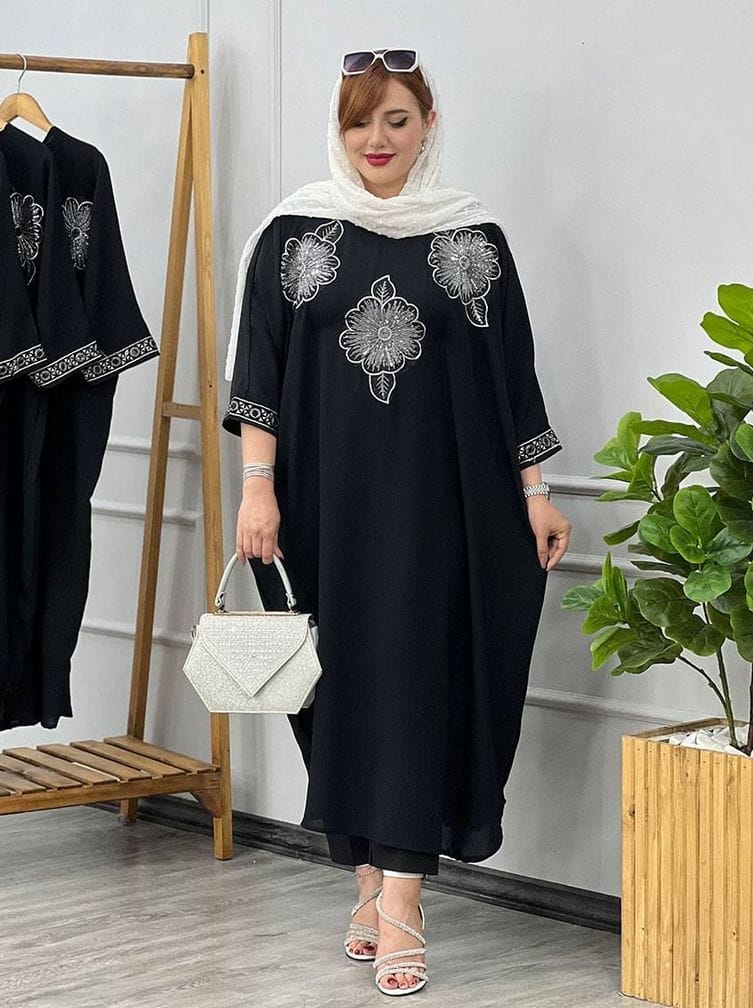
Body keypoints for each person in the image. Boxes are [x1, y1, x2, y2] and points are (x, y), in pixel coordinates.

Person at [223, 47, 572, 997]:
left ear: (428, 125)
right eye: (357, 121)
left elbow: (512, 377)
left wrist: (535, 490)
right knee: (332, 684)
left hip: (442, 509)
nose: (374, 140)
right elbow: (259, 373)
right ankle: (368, 877)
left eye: (395, 120)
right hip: (320, 506)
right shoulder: (292, 234)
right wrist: (257, 488)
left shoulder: (473, 239)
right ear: (337, 130)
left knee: (418, 680)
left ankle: (404, 898)